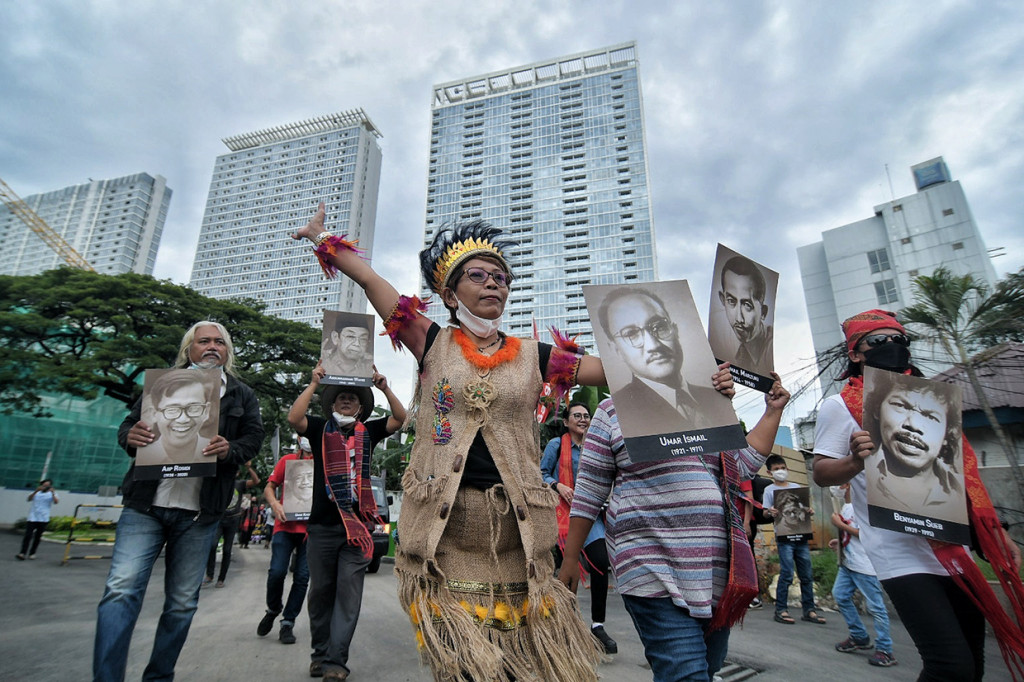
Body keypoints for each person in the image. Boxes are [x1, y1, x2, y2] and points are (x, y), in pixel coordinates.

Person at [292, 206, 608, 681]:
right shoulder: (431, 342)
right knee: (464, 664)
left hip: (518, 530)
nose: (493, 284)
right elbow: (374, 285)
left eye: (501, 277)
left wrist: (696, 363)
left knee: (520, 663)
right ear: (448, 293)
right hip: (447, 527)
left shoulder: (535, 357)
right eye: (478, 275)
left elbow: (621, 371)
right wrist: (325, 242)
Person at [811, 309, 1024, 681]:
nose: (891, 347)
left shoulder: (935, 401)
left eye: (899, 340)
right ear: (856, 354)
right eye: (878, 341)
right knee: (949, 666)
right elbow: (821, 473)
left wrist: (996, 534)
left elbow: (963, 476)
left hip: (950, 544)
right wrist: (854, 461)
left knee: (972, 664)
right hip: (898, 550)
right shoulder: (839, 406)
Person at [560, 373, 790, 682]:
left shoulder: (706, 406)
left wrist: (773, 410)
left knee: (707, 667)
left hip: (713, 574)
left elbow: (741, 465)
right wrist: (571, 559)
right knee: (687, 674)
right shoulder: (611, 411)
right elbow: (589, 492)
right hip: (649, 569)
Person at [94, 321, 265, 682]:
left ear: (228, 351)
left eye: (220, 342)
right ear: (189, 349)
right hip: (146, 506)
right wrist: (132, 436)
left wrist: (230, 449)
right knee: (121, 591)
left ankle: (159, 676)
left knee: (182, 604)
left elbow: (253, 439)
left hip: (200, 515)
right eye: (204, 341)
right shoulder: (161, 385)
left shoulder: (241, 395)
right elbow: (127, 427)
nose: (212, 347)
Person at [288, 366, 405, 681]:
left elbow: (400, 418)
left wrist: (383, 386)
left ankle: (336, 662)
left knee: (349, 598)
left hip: (358, 530)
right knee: (321, 593)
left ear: (360, 406)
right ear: (333, 403)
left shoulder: (369, 431)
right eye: (341, 397)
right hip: (323, 528)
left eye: (352, 398)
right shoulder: (318, 429)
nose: (346, 401)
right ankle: (320, 654)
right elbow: (293, 419)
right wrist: (313, 383)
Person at [597, 286, 736, 436]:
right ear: (616, 349)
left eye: (660, 326)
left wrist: (764, 413)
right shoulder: (612, 413)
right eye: (631, 334)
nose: (653, 345)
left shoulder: (713, 398)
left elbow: (739, 459)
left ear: (675, 330)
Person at [540, 401, 617, 654]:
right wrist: (557, 485)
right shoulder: (555, 445)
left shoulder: (597, 445)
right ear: (566, 421)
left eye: (586, 416)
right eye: (577, 416)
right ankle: (566, 625)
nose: (583, 419)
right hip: (561, 517)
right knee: (566, 571)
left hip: (591, 516)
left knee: (599, 562)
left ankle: (598, 625)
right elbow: (540, 474)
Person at [864, 373, 966, 522]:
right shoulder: (862, 479)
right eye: (900, 406)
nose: (913, 425)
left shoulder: (961, 492)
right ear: (876, 410)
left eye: (931, 416)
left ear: (948, 433)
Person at [828, 483, 897, 667]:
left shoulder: (864, 507)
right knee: (840, 595)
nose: (837, 487)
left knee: (876, 607)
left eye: (840, 483)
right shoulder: (846, 506)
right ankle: (859, 636)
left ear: (849, 485)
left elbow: (867, 534)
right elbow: (851, 532)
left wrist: (840, 525)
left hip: (865, 566)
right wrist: (840, 540)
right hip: (849, 563)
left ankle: (885, 649)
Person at [257, 436, 314, 646]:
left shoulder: (324, 464)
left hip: (311, 531)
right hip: (284, 525)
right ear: (299, 438)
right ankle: (273, 609)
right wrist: (274, 504)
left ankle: (287, 622)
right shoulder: (287, 460)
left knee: (302, 577)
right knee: (277, 572)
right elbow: (269, 487)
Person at [762, 454, 824, 626]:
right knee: (787, 573)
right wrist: (770, 512)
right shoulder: (769, 491)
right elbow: (765, 512)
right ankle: (781, 609)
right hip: (784, 538)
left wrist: (809, 511)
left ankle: (809, 610)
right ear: (769, 472)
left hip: (801, 537)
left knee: (806, 574)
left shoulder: (796, 487)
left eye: (782, 467)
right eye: (776, 469)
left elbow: (803, 509)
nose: (780, 471)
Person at [137, 370, 215, 467]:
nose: (183, 419)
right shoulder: (145, 455)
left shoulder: (216, 452)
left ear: (206, 411)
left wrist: (229, 452)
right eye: (172, 410)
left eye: (194, 408)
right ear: (154, 414)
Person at [205, 462, 259, 587]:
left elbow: (256, 481)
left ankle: (221, 579)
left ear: (237, 473)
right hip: (219, 518)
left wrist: (248, 467)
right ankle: (209, 574)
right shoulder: (220, 482)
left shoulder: (239, 484)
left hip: (233, 520)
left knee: (227, 550)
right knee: (212, 545)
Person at [717, 255, 773, 372]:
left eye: (747, 305)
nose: (739, 318)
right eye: (731, 301)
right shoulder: (732, 352)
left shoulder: (773, 349)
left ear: (763, 312)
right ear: (723, 299)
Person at [17, 478, 59, 560]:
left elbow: (56, 502)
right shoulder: (37, 493)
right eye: (44, 485)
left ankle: (32, 553)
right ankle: (22, 553)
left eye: (47, 486)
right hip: (32, 517)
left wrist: (53, 493)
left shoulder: (52, 494)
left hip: (43, 518)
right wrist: (36, 491)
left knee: (37, 537)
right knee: (28, 535)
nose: (45, 487)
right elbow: (29, 499)